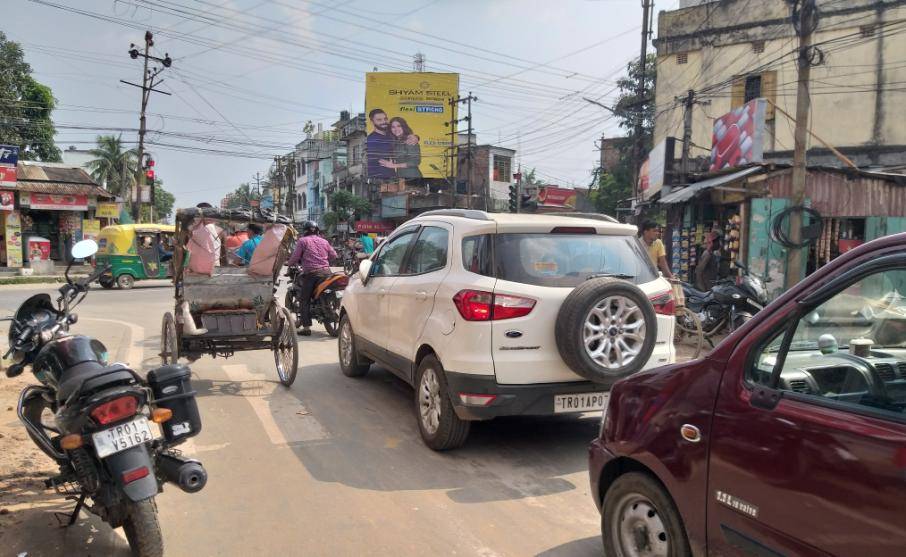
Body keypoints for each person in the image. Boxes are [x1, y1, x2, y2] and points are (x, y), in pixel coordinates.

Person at [288, 221, 338, 336]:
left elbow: (295, 257)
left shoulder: (302, 241)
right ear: (317, 230)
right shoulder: (324, 241)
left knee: (304, 300)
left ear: (305, 231)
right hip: (326, 273)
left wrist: (289, 263)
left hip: (311, 274)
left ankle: (306, 328)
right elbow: (334, 255)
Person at [366, 108, 420, 180]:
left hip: (400, 176)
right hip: (379, 178)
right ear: (372, 122)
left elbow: (415, 160)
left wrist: (416, 137)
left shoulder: (391, 135)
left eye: (385, 119)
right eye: (379, 120)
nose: (384, 122)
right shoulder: (370, 140)